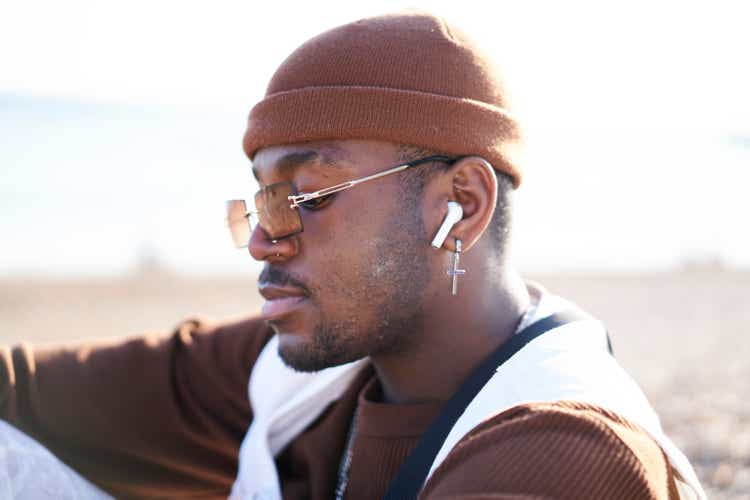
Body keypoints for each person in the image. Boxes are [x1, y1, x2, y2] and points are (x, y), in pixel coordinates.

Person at [0, 11, 706, 500]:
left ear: (462, 202)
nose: (261, 239)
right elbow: (23, 391)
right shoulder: (299, 373)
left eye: (305, 197)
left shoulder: (567, 452)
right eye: (260, 200)